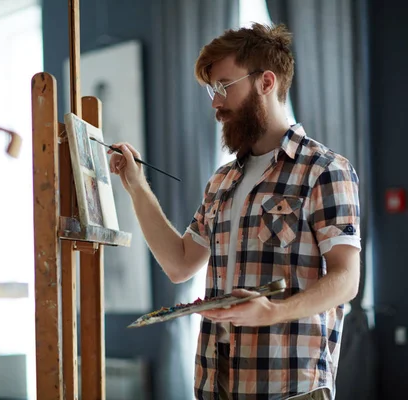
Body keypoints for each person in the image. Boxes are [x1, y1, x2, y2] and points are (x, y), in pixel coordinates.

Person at [107, 23, 361, 400]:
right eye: (212, 90)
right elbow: (179, 264)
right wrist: (135, 185)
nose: (215, 102)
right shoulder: (222, 181)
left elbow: (347, 280)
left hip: (290, 389)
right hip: (216, 384)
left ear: (266, 82)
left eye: (224, 86)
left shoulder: (325, 169)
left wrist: (271, 312)